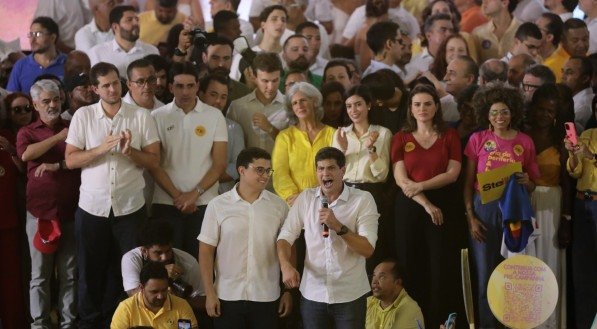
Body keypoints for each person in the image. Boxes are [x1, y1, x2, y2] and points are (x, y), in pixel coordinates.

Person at [65, 62, 161, 329]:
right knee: (89, 272)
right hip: (92, 208)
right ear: (95, 89)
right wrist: (100, 149)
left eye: (115, 83)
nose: (112, 89)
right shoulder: (83, 116)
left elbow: (154, 161)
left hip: (130, 208)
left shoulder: (141, 116)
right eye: (105, 85)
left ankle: (119, 323)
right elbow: (71, 160)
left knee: (128, 273)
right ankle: (89, 323)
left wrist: (129, 151)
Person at [463, 82, 539, 329]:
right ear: (486, 114)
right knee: (486, 275)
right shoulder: (478, 140)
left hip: (514, 210)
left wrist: (528, 182)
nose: (499, 117)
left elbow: (533, 181)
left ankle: (513, 324)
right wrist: (471, 217)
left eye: (504, 111)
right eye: (494, 112)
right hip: (482, 209)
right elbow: (468, 183)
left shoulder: (525, 142)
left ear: (513, 112)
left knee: (512, 271)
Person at [277, 146, 379, 329]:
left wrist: (338, 227)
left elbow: (368, 249)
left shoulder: (363, 200)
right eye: (320, 168)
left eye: (331, 168)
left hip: (350, 295)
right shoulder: (306, 199)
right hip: (313, 295)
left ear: (342, 170)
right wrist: (286, 266)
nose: (325, 173)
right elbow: (285, 237)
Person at [391, 84, 462, 327]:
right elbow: (401, 180)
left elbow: (453, 173)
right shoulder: (401, 137)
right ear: (410, 109)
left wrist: (422, 187)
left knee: (440, 266)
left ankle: (439, 322)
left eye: (428, 104)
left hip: (443, 204)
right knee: (410, 263)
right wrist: (425, 202)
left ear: (436, 107)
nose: (422, 109)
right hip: (411, 206)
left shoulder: (450, 135)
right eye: (417, 104)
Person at [199, 147, 292, 328]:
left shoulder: (279, 206)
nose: (265, 175)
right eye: (259, 170)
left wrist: (288, 291)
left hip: (267, 295)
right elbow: (205, 251)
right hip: (226, 295)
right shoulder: (217, 205)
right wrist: (209, 293)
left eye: (268, 170)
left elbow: (289, 247)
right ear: (241, 170)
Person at [15, 79, 79, 329]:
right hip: (40, 213)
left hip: (71, 211)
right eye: (46, 101)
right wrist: (59, 137)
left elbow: (82, 158)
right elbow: (26, 154)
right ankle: (39, 324)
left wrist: (65, 134)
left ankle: (68, 323)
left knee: (70, 274)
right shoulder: (27, 132)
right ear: (35, 105)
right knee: (40, 276)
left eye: (56, 99)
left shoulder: (74, 126)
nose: (53, 105)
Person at [150, 61, 227, 256]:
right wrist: (178, 197)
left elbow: (219, 165)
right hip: (166, 203)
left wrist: (194, 195)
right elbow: (154, 163)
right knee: (167, 264)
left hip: (204, 203)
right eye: (179, 86)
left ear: (198, 86)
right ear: (170, 87)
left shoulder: (215, 116)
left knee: (201, 263)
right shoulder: (157, 116)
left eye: (190, 86)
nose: (185, 92)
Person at [526, 83, 573, 329]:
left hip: (552, 208)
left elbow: (568, 185)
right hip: (523, 207)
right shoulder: (520, 135)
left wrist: (566, 220)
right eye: (541, 109)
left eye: (550, 111)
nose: (545, 115)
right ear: (532, 108)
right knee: (525, 267)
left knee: (549, 266)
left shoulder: (563, 140)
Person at [332, 85, 392, 269]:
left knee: (369, 246)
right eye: (349, 106)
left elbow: (382, 175)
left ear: (369, 105)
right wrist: (341, 149)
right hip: (346, 192)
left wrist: (370, 149)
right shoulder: (341, 134)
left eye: (358, 104)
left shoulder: (382, 133)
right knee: (344, 246)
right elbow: (333, 171)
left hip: (372, 193)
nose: (353, 110)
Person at [272, 82, 336, 204]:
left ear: (314, 102)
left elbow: (337, 170)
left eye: (303, 100)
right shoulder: (284, 137)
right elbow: (279, 173)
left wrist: (321, 196)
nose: (299, 106)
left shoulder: (332, 134)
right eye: (294, 103)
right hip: (295, 203)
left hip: (328, 201)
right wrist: (296, 197)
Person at [121, 221, 204, 312]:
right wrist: (161, 273)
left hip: (178, 311)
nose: (165, 257)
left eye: (168, 251)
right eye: (158, 253)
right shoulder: (131, 259)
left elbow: (203, 301)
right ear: (144, 251)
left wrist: (178, 299)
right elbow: (133, 296)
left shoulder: (188, 262)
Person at [564, 122, 597, 329]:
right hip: (582, 203)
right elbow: (575, 172)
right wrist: (573, 154)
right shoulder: (588, 134)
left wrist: (593, 157)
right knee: (583, 273)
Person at [227, 52, 288, 154]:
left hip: (277, 169)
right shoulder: (237, 107)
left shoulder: (291, 106)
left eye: (275, 80)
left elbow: (295, 145)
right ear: (254, 77)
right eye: (265, 81)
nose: (271, 87)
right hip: (248, 168)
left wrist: (270, 129)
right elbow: (230, 144)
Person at [111, 262, 198, 329]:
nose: (160, 296)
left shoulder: (181, 306)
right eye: (154, 292)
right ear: (142, 287)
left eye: (164, 290)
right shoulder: (126, 309)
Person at [197, 74, 245, 194]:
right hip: (186, 194)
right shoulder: (187, 123)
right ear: (201, 94)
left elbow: (237, 165)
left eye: (223, 97)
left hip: (222, 196)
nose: (218, 101)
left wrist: (206, 182)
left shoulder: (234, 128)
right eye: (213, 95)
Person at [88, 6, 160, 79]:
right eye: (129, 20)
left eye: (137, 19)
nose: (136, 23)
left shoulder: (152, 51)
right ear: (115, 27)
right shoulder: (97, 53)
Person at [7, 17, 66, 94]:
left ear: (53, 37)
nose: (32, 40)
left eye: (37, 34)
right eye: (31, 34)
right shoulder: (21, 65)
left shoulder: (68, 63)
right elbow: (11, 97)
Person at [366, 259, 425, 329]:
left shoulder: (410, 308)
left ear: (397, 282)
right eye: (374, 276)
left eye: (382, 277)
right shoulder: (367, 303)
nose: (374, 282)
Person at [561, 56, 594, 132]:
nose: (563, 77)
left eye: (569, 73)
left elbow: (572, 138)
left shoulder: (584, 107)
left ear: (585, 78)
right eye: (563, 71)